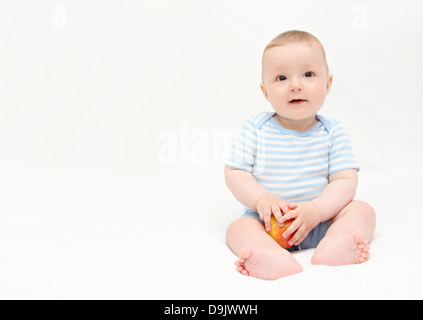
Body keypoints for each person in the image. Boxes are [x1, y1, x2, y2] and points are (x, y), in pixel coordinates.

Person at [224, 30, 376, 280]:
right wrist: (261, 199)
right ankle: (269, 254)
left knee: (362, 210)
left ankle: (336, 243)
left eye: (308, 74)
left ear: (327, 84)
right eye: (281, 77)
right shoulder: (256, 128)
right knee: (238, 228)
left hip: (320, 222)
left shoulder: (332, 132)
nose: (296, 85)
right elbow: (235, 173)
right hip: (267, 223)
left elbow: (345, 181)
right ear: (265, 91)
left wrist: (316, 210)